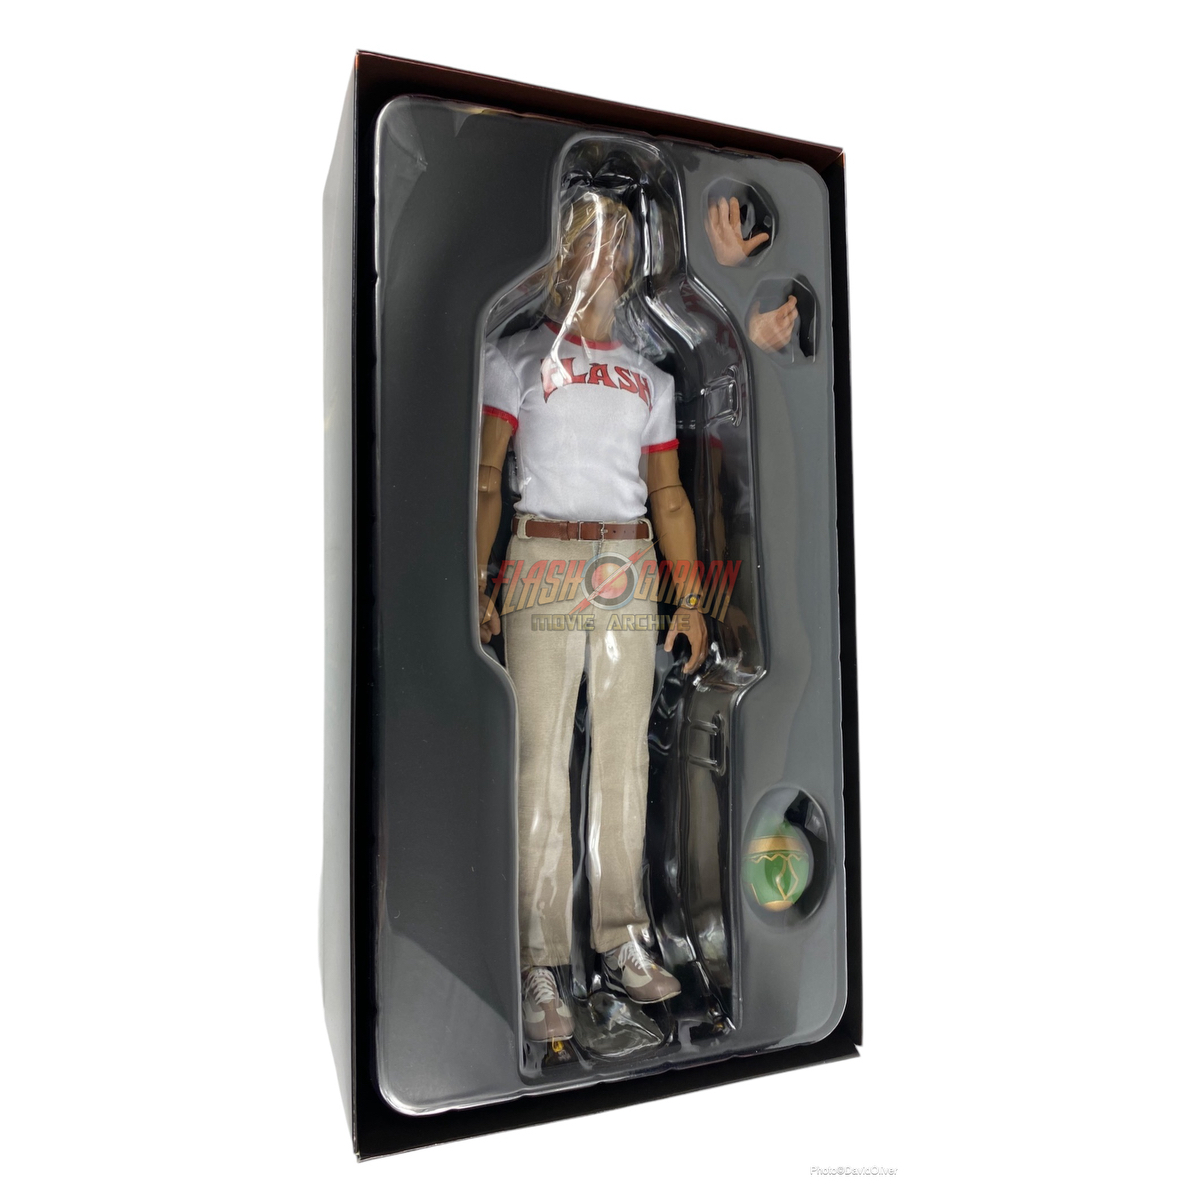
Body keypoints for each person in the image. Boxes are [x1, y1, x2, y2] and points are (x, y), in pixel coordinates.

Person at [476, 190, 710, 1042]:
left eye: (616, 241)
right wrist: (476, 576)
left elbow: (670, 494)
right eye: (586, 239)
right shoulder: (513, 359)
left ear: (633, 257)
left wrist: (692, 598)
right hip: (541, 555)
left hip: (627, 564)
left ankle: (621, 937)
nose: (602, 256)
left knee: (622, 758)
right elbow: (485, 476)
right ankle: (540, 960)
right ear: (561, 249)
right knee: (539, 758)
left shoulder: (650, 378)